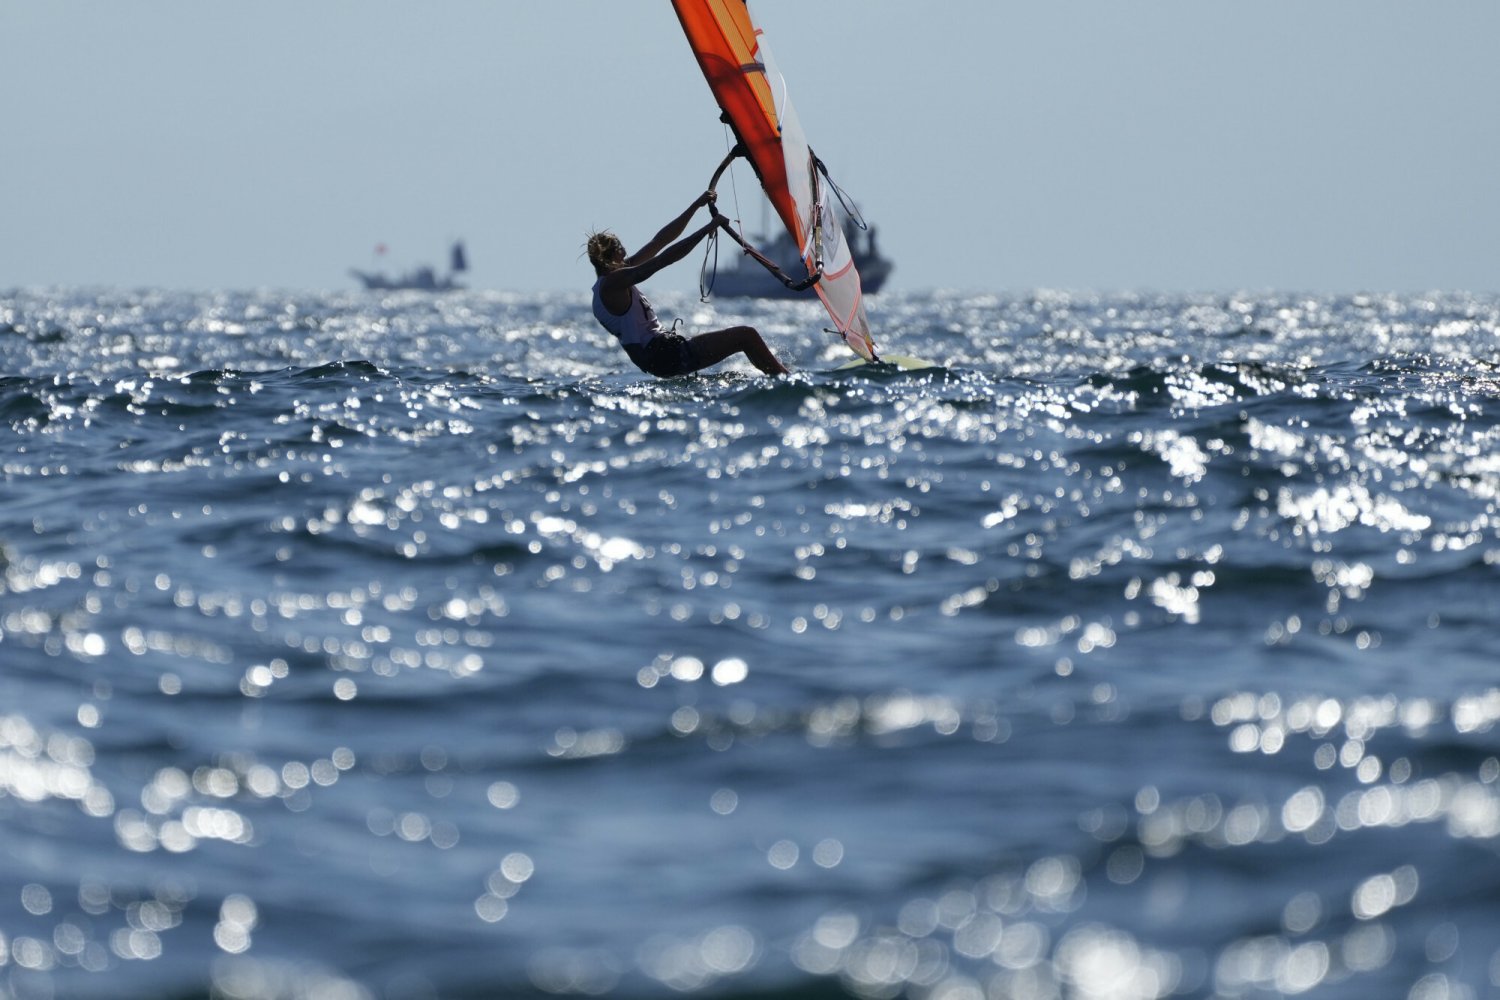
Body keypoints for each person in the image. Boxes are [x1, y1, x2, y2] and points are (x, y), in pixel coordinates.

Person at [587, 192, 791, 378]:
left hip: (661, 357)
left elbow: (660, 241)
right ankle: (785, 380)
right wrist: (707, 229)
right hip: (664, 355)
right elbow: (662, 260)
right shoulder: (614, 283)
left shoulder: (613, 279)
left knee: (745, 339)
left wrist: (696, 206)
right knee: (746, 336)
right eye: (621, 249)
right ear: (612, 256)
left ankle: (777, 376)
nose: (626, 253)